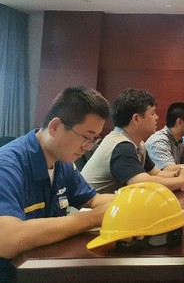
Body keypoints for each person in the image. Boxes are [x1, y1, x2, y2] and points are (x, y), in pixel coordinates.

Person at [0, 87, 114, 260]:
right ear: (55, 127)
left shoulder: (63, 164)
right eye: (86, 137)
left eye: (94, 139)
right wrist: (92, 218)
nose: (89, 147)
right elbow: (6, 240)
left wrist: (132, 203)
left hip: (45, 263)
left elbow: (94, 200)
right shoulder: (7, 165)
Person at [81, 88, 184, 194]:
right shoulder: (121, 146)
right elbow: (142, 183)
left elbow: (156, 173)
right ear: (136, 119)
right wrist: (182, 180)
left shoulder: (138, 144)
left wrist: (178, 173)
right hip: (93, 208)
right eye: (153, 113)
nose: (157, 117)